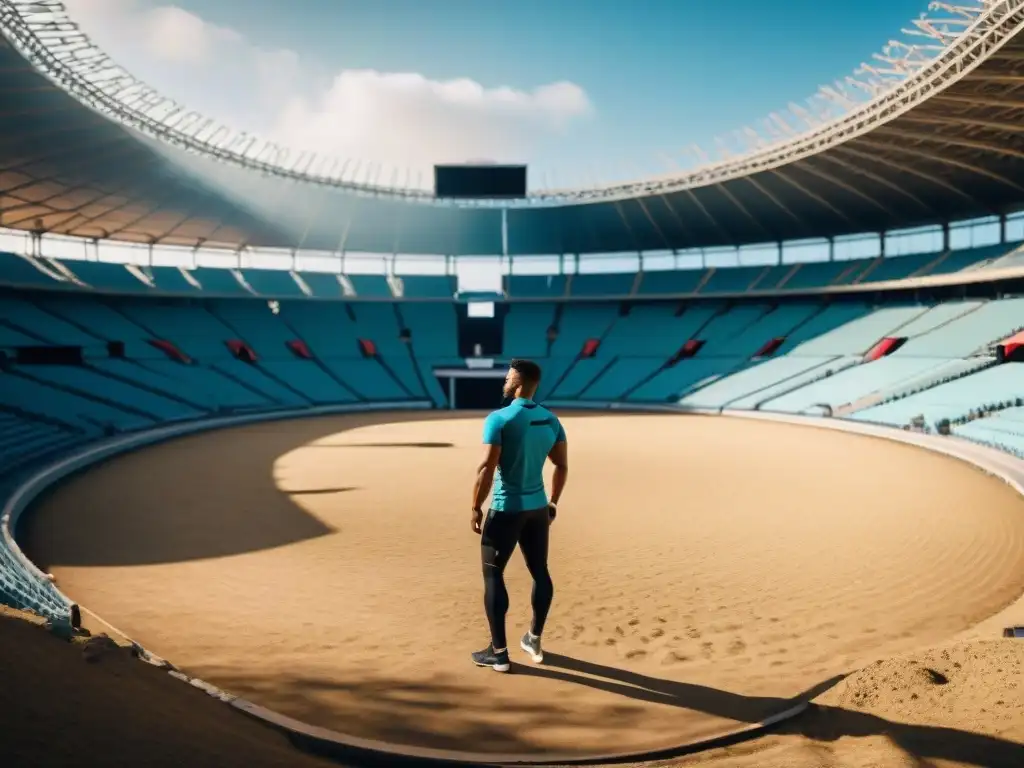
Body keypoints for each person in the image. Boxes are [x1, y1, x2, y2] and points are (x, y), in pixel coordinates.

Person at [469, 359, 568, 673]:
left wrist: (475, 506)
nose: (505, 380)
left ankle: (498, 653)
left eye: (509, 376)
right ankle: (533, 638)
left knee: (493, 575)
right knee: (540, 570)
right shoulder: (551, 420)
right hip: (538, 510)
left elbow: (486, 468)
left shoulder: (499, 418)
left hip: (506, 509)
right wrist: (553, 502)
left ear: (521, 381)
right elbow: (561, 465)